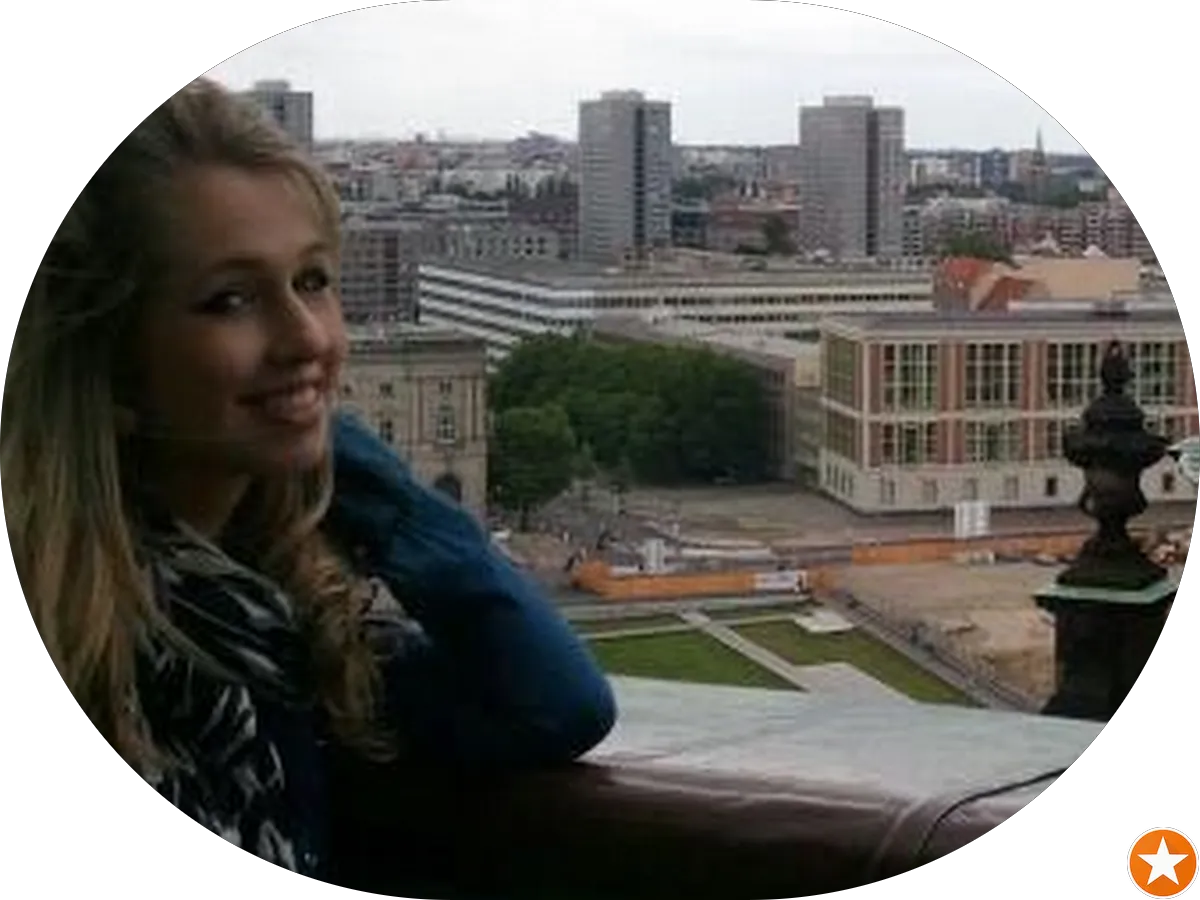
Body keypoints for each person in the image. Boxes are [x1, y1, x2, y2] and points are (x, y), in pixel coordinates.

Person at [0, 79, 616, 881]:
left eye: (314, 281)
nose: (307, 339)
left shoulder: (266, 622)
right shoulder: (115, 641)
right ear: (104, 363)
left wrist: (345, 459)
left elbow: (558, 705)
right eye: (230, 299)